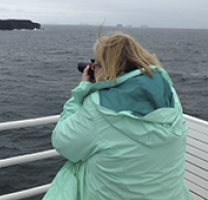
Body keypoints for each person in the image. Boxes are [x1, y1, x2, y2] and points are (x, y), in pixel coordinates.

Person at [43, 32, 192, 200]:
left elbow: (63, 142)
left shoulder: (98, 106)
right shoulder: (169, 93)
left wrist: (81, 92)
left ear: (108, 67)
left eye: (97, 64)